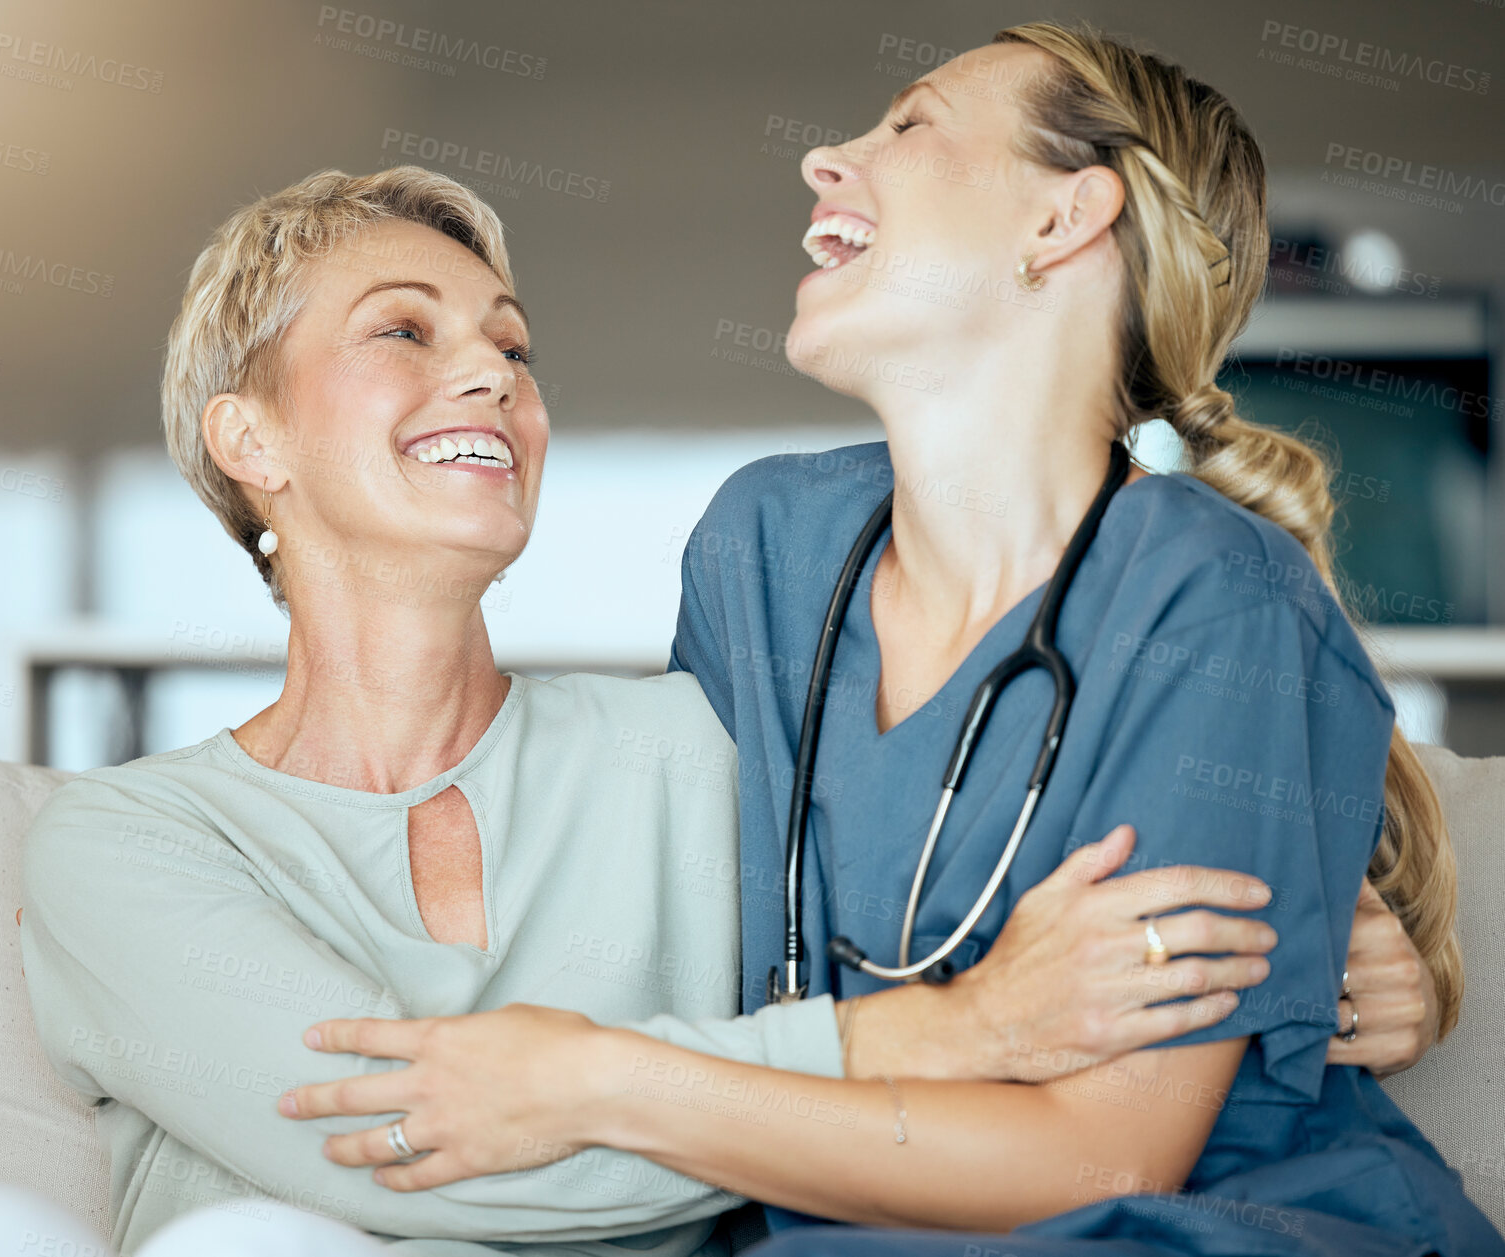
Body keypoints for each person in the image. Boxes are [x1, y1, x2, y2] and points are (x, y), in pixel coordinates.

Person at [271, 24, 1501, 1257]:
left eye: (908, 125)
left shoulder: (1207, 594)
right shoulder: (767, 546)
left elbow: (1105, 1154)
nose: (820, 157)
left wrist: (600, 1083)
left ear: (1061, 221)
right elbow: (654, 891)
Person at [0, 164, 1275, 1257]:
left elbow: (964, 885)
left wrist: (1314, 959)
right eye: (402, 332)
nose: (490, 376)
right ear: (249, 441)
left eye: (511, 345)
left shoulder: (688, 753)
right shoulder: (122, 843)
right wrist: (953, 1034)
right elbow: (401, 1143)